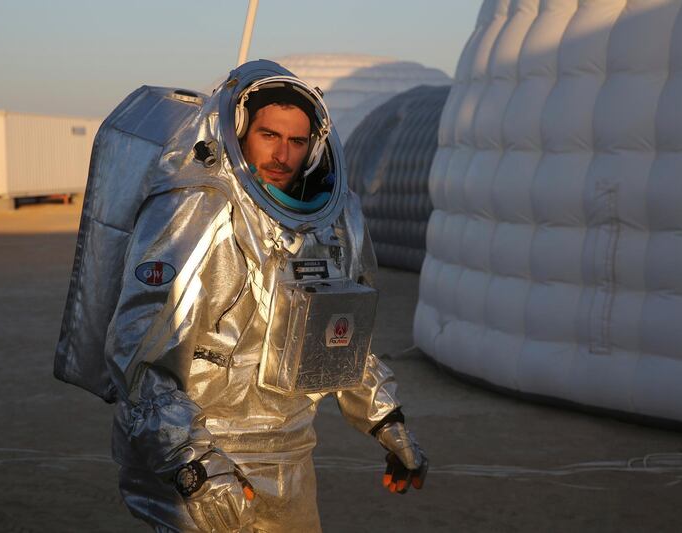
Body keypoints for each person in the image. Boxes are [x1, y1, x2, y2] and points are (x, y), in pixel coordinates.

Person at [55, 60, 427, 533]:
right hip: (201, 455)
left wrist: (386, 421)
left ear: (314, 146)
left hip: (289, 455)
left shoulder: (334, 220)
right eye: (269, 135)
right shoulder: (197, 208)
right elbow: (139, 354)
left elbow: (340, 337)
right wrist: (191, 463)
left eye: (297, 141)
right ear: (239, 129)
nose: (282, 154)